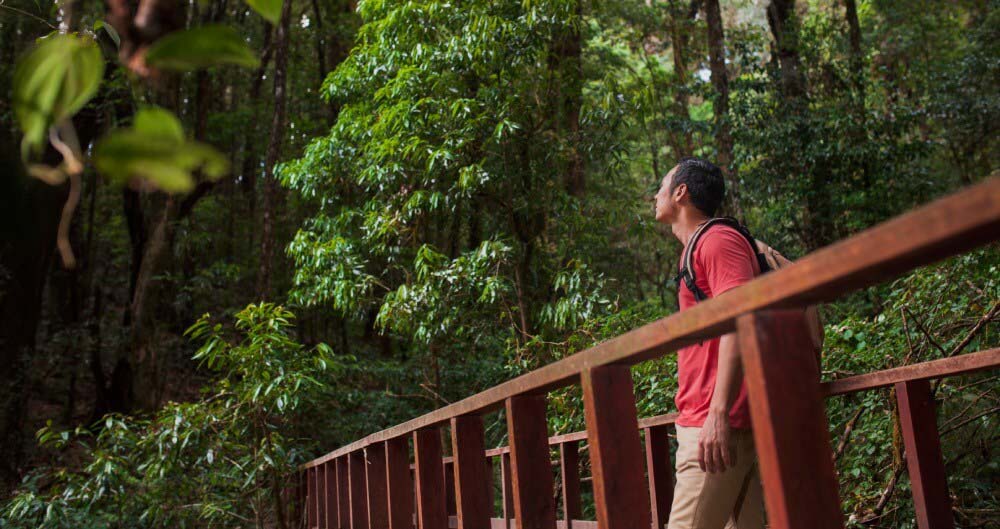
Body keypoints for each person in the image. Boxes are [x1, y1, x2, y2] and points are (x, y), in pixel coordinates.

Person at [653, 157, 764, 529]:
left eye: (662, 185)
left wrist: (718, 414)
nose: (656, 194)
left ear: (680, 192)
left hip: (715, 423)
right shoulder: (699, 247)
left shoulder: (717, 240)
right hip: (716, 420)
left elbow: (739, 317)